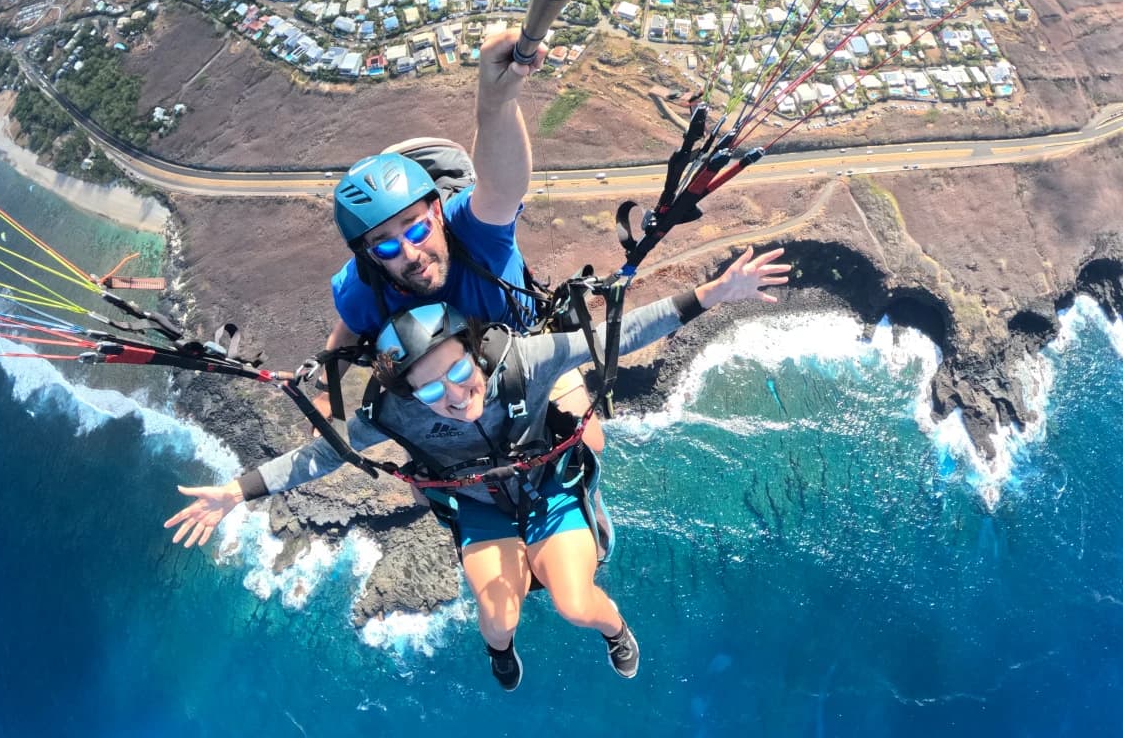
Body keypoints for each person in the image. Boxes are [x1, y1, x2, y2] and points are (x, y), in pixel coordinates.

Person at [165, 246, 792, 691]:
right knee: (497, 615)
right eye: (434, 390)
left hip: (550, 493)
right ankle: (502, 653)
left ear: (478, 355)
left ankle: (617, 631)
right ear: (409, 397)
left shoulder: (523, 361)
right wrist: (235, 492)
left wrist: (716, 293)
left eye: (461, 372)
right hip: (484, 507)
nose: (456, 393)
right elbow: (319, 456)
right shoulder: (396, 416)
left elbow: (616, 337)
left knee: (576, 602)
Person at [315, 29, 606, 453]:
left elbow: (502, 186)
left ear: (436, 212)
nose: (412, 254)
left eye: (416, 229)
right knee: (428, 485)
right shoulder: (365, 284)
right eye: (387, 246)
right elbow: (349, 326)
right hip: (443, 385)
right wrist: (326, 393)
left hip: (524, 352)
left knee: (588, 447)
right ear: (369, 255)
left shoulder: (472, 232)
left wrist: (496, 99)